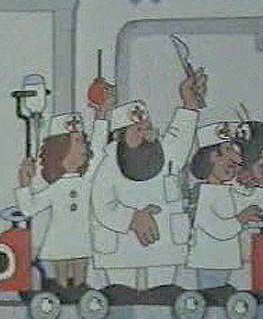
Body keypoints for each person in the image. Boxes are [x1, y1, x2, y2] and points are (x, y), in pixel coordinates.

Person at [88, 69, 207, 291]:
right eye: (138, 130)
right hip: (120, 250)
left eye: (148, 128)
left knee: (164, 293)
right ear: (121, 137)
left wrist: (189, 102)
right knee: (120, 294)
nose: (145, 134)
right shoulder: (108, 165)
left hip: (164, 247)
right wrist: (132, 218)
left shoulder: (165, 153)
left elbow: (180, 136)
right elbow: (101, 204)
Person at [15, 82, 113, 288]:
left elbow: (98, 149)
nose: (84, 146)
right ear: (61, 149)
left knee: (80, 277)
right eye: (77, 142)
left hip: (82, 237)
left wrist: (101, 117)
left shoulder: (86, 179)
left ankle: (80, 293)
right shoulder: (56, 188)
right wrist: (24, 185)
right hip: (59, 238)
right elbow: (29, 209)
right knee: (61, 280)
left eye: (83, 141)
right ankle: (62, 293)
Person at [187, 122, 263, 288]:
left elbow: (254, 205)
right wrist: (241, 218)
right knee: (212, 293)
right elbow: (217, 229)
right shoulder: (204, 195)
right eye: (228, 150)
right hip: (209, 261)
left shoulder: (226, 191)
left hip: (224, 260)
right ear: (213, 156)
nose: (236, 160)